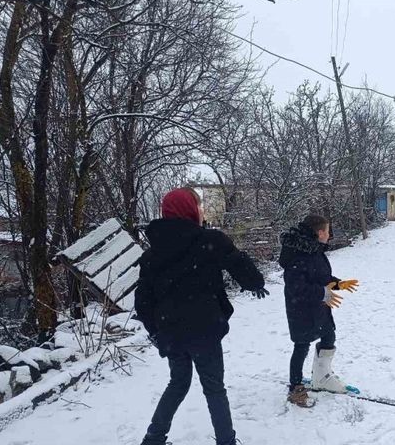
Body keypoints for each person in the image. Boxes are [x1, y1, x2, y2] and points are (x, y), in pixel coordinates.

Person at [135, 187, 269, 445]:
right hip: (204, 330)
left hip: (171, 333)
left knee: (178, 383)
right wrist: (254, 283)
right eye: (199, 206)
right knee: (214, 388)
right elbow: (238, 264)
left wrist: (156, 331)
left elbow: (142, 302)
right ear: (190, 210)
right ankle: (226, 441)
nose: (202, 210)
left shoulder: (152, 255)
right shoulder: (209, 240)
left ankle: (153, 439)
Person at [279, 214, 359, 408]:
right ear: (320, 232)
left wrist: (338, 284)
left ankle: (322, 377)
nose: (329, 235)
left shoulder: (313, 249)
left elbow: (319, 275)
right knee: (301, 346)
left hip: (318, 306)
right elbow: (295, 287)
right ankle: (296, 389)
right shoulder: (298, 252)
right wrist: (323, 293)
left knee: (328, 335)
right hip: (301, 308)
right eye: (328, 231)